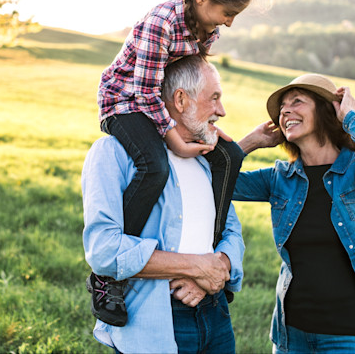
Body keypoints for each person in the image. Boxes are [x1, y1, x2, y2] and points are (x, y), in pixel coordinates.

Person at [89, 0, 254, 327]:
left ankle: (211, 257)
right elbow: (147, 92)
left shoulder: (207, 28)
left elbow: (190, 76)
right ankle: (109, 278)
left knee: (227, 156)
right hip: (126, 104)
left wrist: (203, 122)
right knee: (154, 165)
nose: (229, 22)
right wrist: (175, 139)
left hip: (160, 105)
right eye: (228, 12)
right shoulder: (161, 23)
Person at [234, 73, 355, 354]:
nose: (285, 111)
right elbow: (213, 181)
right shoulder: (280, 178)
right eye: (282, 107)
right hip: (293, 336)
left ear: (327, 111)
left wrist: (349, 117)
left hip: (352, 335)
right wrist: (251, 142)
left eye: (297, 101)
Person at [82, 55, 245, 354]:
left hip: (215, 313)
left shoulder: (207, 160)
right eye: (214, 98)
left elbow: (232, 232)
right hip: (156, 318)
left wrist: (217, 267)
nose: (221, 111)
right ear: (181, 100)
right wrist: (198, 267)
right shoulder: (113, 153)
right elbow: (104, 249)